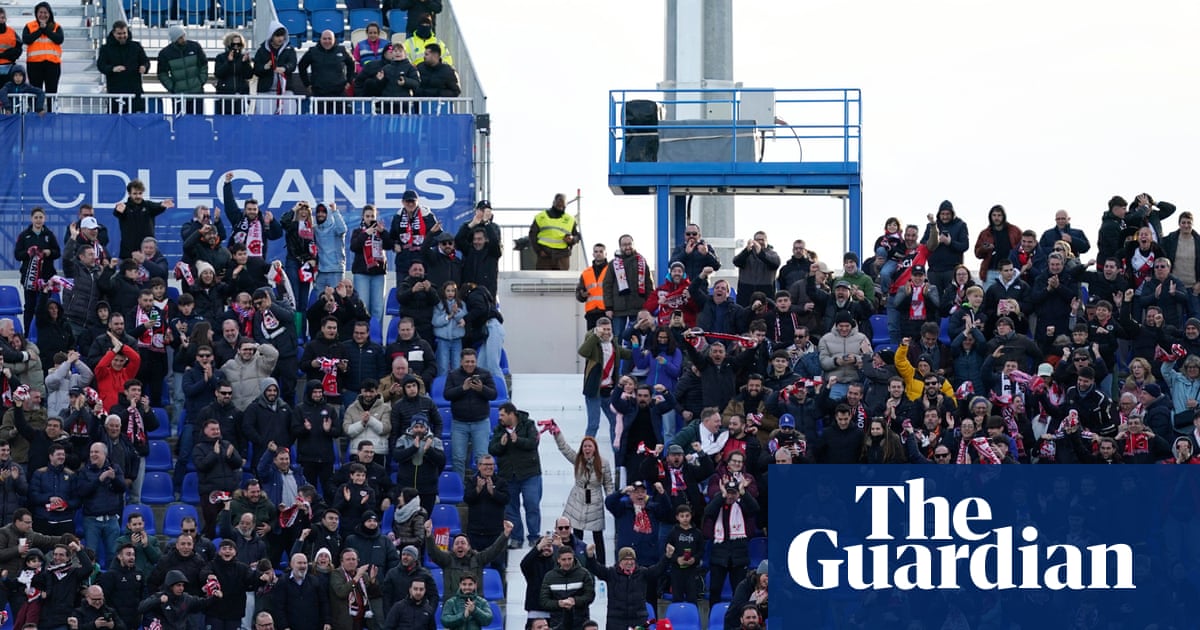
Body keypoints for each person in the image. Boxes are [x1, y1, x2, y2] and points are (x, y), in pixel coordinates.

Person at [487, 403, 542, 548]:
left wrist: (518, 440)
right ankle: (517, 537)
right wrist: (502, 444)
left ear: (511, 414)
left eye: (502, 415)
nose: (500, 418)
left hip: (529, 473)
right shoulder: (499, 429)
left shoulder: (528, 425)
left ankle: (534, 536)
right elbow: (492, 449)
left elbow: (533, 443)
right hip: (508, 475)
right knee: (511, 509)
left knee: (532, 505)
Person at [585, 544, 671, 630]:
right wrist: (590, 556)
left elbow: (658, 569)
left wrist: (667, 556)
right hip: (616, 620)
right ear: (620, 561)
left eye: (631, 559)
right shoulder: (611, 573)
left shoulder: (643, 573)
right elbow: (595, 568)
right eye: (626, 559)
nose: (629, 562)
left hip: (638, 619)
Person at [443, 349, 497, 477]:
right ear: (461, 362)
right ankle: (460, 489)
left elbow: (494, 395)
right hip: (459, 423)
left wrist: (481, 389)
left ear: (476, 361)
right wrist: (462, 388)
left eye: (472, 361)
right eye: (467, 362)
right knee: (458, 459)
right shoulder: (453, 375)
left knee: (481, 458)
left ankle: (481, 488)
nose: (470, 364)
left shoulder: (485, 374)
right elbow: (447, 395)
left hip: (480, 422)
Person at [423, 518, 512, 591]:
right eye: (457, 543)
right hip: (453, 606)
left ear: (469, 547)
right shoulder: (447, 560)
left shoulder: (478, 559)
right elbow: (433, 552)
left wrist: (505, 534)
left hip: (475, 605)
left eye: (463, 543)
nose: (460, 545)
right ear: (452, 548)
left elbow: (494, 550)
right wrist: (429, 535)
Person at [193, 419, 245, 538]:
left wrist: (230, 457)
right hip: (211, 494)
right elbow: (201, 466)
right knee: (211, 525)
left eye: (217, 429)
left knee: (231, 524)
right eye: (213, 429)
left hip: (229, 492)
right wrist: (214, 454)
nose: (216, 431)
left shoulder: (226, 444)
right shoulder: (199, 448)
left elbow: (238, 463)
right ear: (205, 430)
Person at [77, 442, 125, 569]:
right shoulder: (84, 471)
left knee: (113, 555)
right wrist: (100, 479)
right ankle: (90, 584)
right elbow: (82, 491)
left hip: (111, 519)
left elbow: (122, 488)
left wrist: (114, 478)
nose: (93, 455)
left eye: (96, 452)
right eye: (91, 452)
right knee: (90, 555)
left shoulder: (114, 468)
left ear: (105, 454)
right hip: (91, 520)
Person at [15, 207, 60, 336]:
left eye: (41, 217)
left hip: (46, 278)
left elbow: (57, 252)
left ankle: (45, 333)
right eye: (36, 217)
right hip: (30, 278)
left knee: (46, 307)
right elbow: (17, 255)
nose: (38, 220)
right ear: (31, 219)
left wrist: (48, 252)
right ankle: (28, 334)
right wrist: (28, 253)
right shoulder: (24, 235)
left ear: (44, 219)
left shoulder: (49, 235)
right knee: (29, 307)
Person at [349, 205, 394, 325]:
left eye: (372, 216)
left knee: (378, 308)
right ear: (363, 217)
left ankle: (375, 336)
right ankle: (363, 335)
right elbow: (354, 247)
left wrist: (383, 232)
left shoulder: (380, 231)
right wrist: (365, 234)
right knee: (363, 305)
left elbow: (390, 245)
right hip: (362, 273)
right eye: (367, 216)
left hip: (378, 273)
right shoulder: (358, 232)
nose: (370, 219)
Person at [391, 415, 444, 513]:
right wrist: (413, 448)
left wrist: (429, 450)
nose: (419, 430)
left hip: (427, 490)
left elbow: (441, 461)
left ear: (426, 428)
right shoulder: (403, 439)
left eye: (421, 427)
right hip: (405, 489)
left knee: (424, 521)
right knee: (401, 521)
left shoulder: (435, 441)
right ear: (412, 428)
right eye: (416, 427)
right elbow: (397, 457)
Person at [461, 454, 508, 562]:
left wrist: (493, 492)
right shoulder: (471, 481)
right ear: (479, 466)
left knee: (498, 565)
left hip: (495, 533)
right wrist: (478, 489)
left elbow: (506, 499)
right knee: (473, 565)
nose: (489, 467)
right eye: (486, 464)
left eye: (491, 464)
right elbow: (467, 498)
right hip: (475, 533)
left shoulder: (501, 482)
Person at [138, 570, 220, 630]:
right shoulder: (160, 596)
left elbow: (202, 603)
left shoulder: (186, 598)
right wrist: (158, 601)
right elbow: (141, 607)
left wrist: (215, 597)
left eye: (182, 585)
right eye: (178, 585)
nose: (181, 588)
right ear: (170, 586)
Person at [96, 20, 147, 112]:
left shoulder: (136, 46)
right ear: (114, 33)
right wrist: (112, 69)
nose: (122, 36)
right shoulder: (106, 48)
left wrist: (144, 67)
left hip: (134, 90)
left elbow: (145, 61)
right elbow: (101, 65)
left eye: (124, 33)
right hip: (115, 90)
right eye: (119, 34)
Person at [539, 546, 595, 630]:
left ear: (573, 558)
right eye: (564, 559)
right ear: (558, 560)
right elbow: (544, 601)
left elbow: (590, 595)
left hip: (580, 622)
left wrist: (575, 601)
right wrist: (559, 603)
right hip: (557, 622)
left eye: (570, 559)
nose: (567, 562)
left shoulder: (584, 573)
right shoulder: (549, 576)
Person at [455, 201, 502, 296]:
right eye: (481, 210)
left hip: (487, 284)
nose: (477, 241)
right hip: (470, 281)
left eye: (486, 210)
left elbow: (494, 244)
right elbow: (459, 242)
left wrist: (486, 223)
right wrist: (471, 225)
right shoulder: (468, 226)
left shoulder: (493, 228)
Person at [156, 25, 207, 114]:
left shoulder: (195, 46)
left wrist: (200, 81)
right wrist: (173, 87)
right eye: (180, 37)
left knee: (198, 121)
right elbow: (162, 74)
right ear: (174, 39)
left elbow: (204, 65)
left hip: (197, 92)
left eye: (183, 36)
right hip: (179, 95)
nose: (183, 39)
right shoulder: (165, 53)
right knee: (180, 122)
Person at [252, 21, 298, 114]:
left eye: (282, 36)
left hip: (286, 91)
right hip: (266, 92)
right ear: (271, 36)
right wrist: (265, 67)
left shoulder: (289, 50)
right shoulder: (262, 51)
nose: (281, 39)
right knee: (264, 120)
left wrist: (285, 68)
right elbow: (256, 70)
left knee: (289, 120)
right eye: (277, 36)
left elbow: (292, 64)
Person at [98, 544, 148, 630]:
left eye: (133, 554)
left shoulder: (139, 574)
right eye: (128, 554)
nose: (132, 557)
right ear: (120, 556)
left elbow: (144, 594)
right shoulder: (110, 575)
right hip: (117, 622)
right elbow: (104, 599)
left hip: (135, 621)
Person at [299, 30, 354, 107]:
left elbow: (351, 64)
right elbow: (301, 66)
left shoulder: (342, 50)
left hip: (339, 93)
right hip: (319, 93)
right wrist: (307, 84)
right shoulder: (312, 51)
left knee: (342, 118)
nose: (327, 41)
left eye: (329, 38)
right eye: (324, 39)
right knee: (319, 119)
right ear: (320, 39)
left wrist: (349, 81)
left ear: (334, 39)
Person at [20, 2, 61, 105]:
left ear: (49, 13)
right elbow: (26, 39)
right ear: (36, 13)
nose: (42, 15)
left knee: (51, 92)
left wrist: (46, 29)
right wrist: (40, 30)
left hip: (52, 64)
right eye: (40, 12)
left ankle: (51, 115)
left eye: (45, 12)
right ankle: (34, 114)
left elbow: (59, 39)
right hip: (34, 64)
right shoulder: (29, 26)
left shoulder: (56, 26)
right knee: (35, 92)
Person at [528, 193, 581, 271]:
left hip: (562, 256)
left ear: (566, 205)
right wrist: (539, 251)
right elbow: (532, 235)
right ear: (554, 202)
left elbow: (577, 236)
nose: (560, 207)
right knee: (543, 282)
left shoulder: (570, 219)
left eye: (563, 206)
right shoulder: (541, 217)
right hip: (545, 255)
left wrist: (572, 239)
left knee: (562, 282)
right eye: (559, 204)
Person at [380, 544, 438, 614]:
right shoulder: (392, 574)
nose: (405, 557)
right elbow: (386, 598)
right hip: (398, 616)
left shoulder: (425, 574)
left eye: (408, 555)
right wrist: (389, 616)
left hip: (418, 616)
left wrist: (428, 614)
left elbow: (433, 596)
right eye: (403, 554)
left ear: (415, 558)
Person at [214, 31, 253, 114]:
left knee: (240, 122)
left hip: (240, 94)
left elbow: (249, 75)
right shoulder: (221, 57)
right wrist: (228, 62)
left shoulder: (243, 58)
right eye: (233, 45)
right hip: (224, 94)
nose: (236, 47)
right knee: (224, 121)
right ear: (228, 45)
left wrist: (245, 63)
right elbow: (218, 74)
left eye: (239, 45)